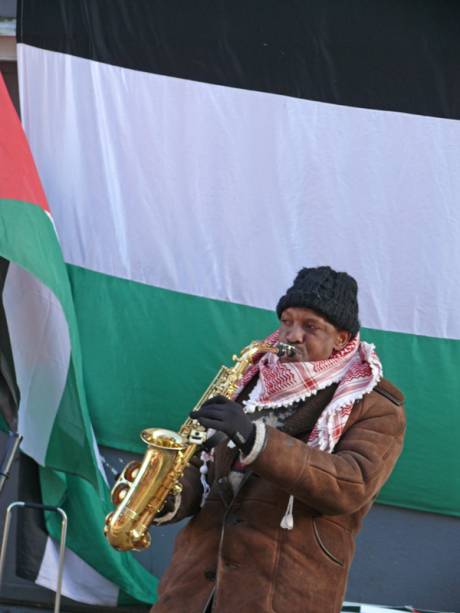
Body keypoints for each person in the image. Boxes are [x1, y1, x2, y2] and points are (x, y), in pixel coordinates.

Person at [151, 266, 405, 613]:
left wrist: (255, 439)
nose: (292, 335)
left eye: (310, 326)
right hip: (192, 591)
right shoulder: (250, 381)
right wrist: (165, 495)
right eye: (287, 321)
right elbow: (203, 467)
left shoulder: (372, 406)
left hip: (281, 595)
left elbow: (351, 484)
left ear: (342, 338)